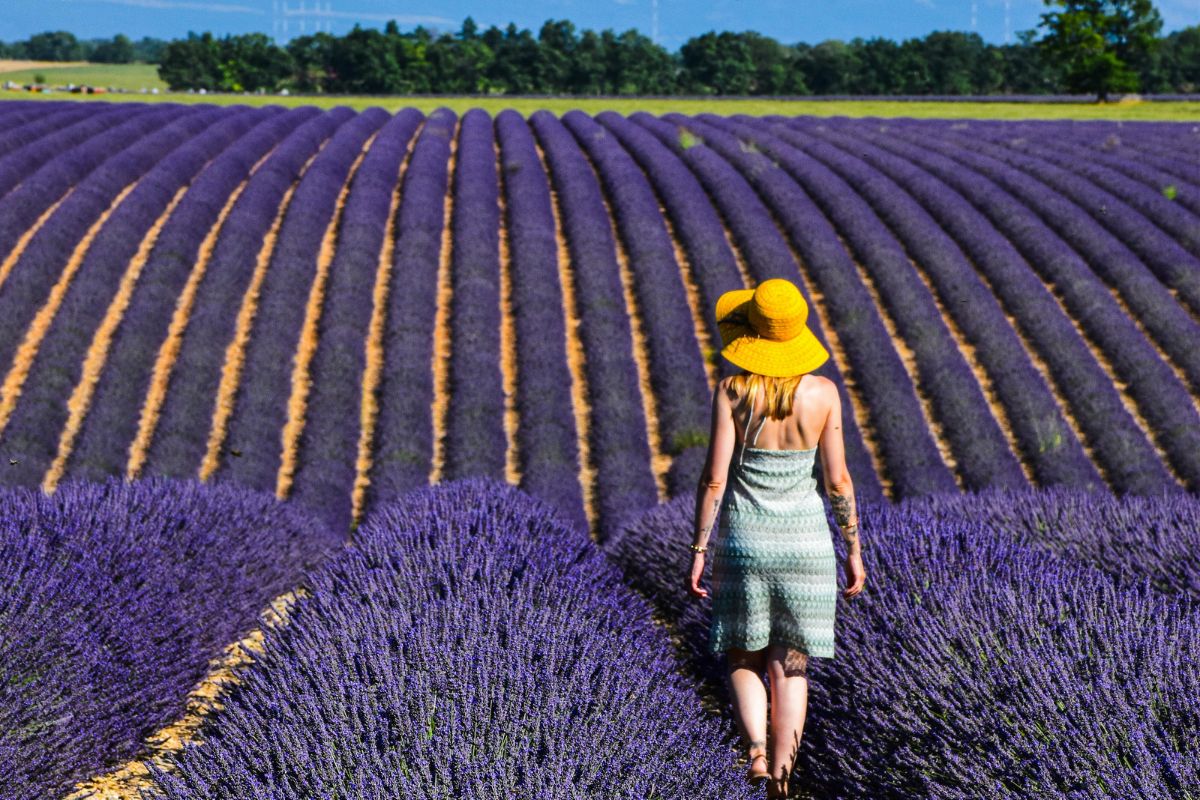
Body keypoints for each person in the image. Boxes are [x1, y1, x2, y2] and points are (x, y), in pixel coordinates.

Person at [687, 278, 867, 800]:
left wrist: (698, 551)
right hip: (807, 547)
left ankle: (758, 756)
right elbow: (839, 481)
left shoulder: (733, 391)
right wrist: (853, 548)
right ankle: (784, 780)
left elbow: (715, 479)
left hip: (745, 541)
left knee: (743, 657)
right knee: (791, 666)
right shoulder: (824, 393)